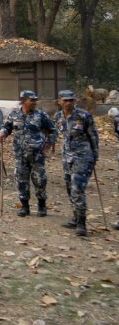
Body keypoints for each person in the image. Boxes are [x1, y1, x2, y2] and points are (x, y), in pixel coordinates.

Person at [0, 91, 58, 217]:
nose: (35, 102)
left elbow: (53, 130)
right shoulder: (15, 114)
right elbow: (7, 127)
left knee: (40, 180)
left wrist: (48, 144)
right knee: (21, 180)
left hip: (37, 155)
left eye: (35, 100)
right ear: (23, 100)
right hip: (20, 154)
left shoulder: (41, 115)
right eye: (32, 100)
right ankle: (24, 206)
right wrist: (3, 132)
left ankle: (42, 205)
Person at [55, 90, 99, 236]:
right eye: (66, 100)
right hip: (67, 157)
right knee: (69, 188)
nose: (69, 103)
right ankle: (75, 217)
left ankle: (82, 223)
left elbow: (93, 136)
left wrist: (95, 155)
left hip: (83, 157)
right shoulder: (58, 116)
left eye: (71, 100)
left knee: (77, 189)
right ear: (59, 101)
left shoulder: (83, 115)